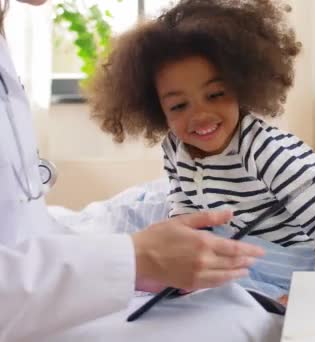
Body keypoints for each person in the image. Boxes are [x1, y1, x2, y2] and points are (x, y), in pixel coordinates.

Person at [0, 1, 269, 341]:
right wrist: (133, 260)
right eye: (177, 104)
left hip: (45, 283)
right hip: (30, 306)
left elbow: (23, 225)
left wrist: (136, 259)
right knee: (246, 319)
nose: (200, 114)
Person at [87, 0, 315, 301]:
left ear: (242, 86)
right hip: (237, 261)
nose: (200, 115)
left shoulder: (266, 151)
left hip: (297, 270)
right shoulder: (175, 146)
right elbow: (185, 202)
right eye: (179, 105)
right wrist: (189, 251)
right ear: (158, 110)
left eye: (215, 94)